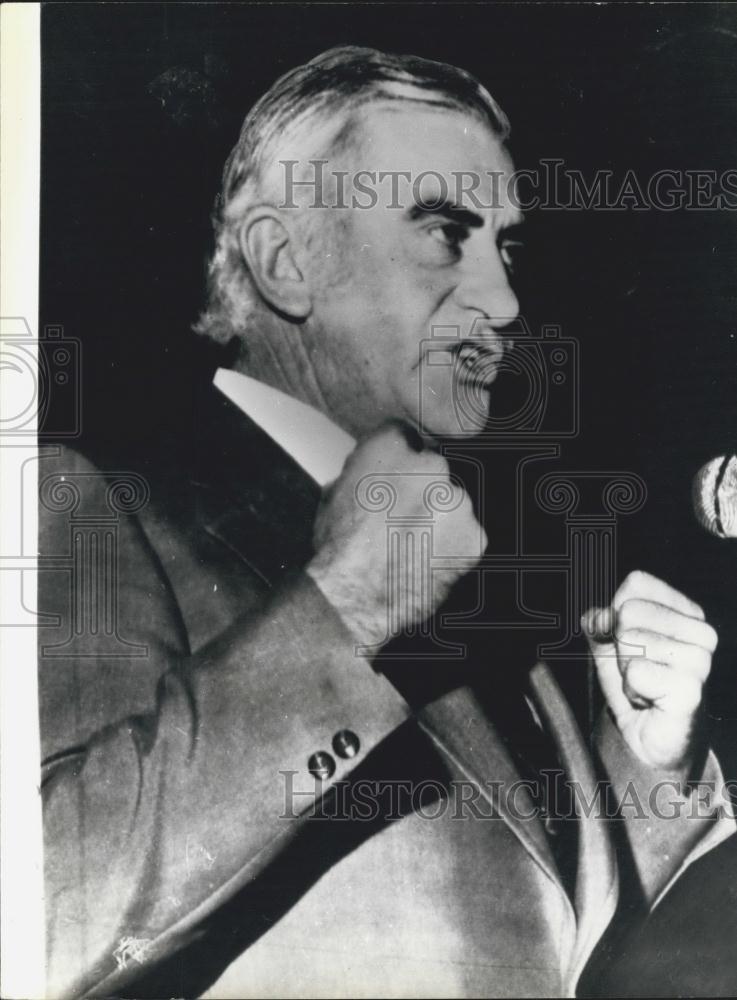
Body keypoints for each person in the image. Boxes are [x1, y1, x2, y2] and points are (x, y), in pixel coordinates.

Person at [38, 46, 735, 998]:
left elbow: (533, 937)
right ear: (286, 261)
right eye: (445, 232)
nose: (504, 301)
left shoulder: (468, 558)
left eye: (507, 248)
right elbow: (40, 920)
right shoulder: (92, 502)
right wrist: (347, 607)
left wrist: (655, 775)